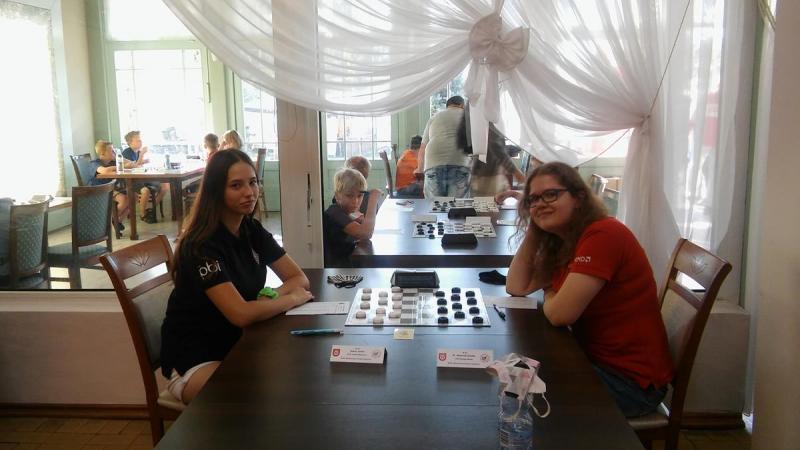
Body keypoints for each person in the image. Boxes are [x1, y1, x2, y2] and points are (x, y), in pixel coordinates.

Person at [506, 161, 673, 418]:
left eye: (551, 194)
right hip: (592, 360)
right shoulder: (564, 240)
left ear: (578, 198)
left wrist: (550, 293)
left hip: (628, 383)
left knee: (516, 393)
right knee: (513, 379)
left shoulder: (604, 235)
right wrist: (534, 228)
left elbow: (559, 315)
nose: (540, 204)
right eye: (533, 200)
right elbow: (517, 286)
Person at [160, 149, 313, 404]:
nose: (249, 192)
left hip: (237, 343)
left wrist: (268, 297)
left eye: (252, 182)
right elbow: (241, 314)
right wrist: (292, 299)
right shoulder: (201, 246)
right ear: (216, 191)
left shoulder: (250, 229)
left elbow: (299, 278)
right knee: (263, 398)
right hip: (195, 359)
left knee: (295, 378)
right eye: (236, 185)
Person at [323, 168, 383, 267]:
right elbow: (365, 233)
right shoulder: (334, 212)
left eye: (360, 196)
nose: (355, 201)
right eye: (349, 196)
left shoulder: (343, 211)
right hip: (338, 271)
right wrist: (373, 199)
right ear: (337, 195)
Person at [416, 95, 471, 198]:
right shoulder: (468, 117)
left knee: (433, 205)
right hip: (460, 162)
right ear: (462, 105)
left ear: (447, 106)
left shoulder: (434, 117)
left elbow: (423, 148)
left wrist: (419, 169)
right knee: (456, 206)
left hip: (433, 163)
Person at [122, 130, 169, 224]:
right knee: (145, 191)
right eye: (138, 140)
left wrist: (144, 160)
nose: (140, 142)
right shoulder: (127, 152)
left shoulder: (137, 152)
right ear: (130, 143)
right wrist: (142, 155)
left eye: (141, 140)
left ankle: (151, 209)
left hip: (142, 178)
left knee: (165, 185)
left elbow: (138, 164)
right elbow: (134, 166)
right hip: (132, 180)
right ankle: (143, 214)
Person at [470, 125, 526, 197]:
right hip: (488, 176)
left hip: (488, 174)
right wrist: (516, 172)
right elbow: (496, 147)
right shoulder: (491, 122)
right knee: (490, 201)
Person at [89, 140, 130, 232]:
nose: (114, 152)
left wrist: (120, 160)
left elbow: (130, 164)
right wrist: (120, 166)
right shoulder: (94, 163)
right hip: (100, 190)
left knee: (133, 197)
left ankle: (117, 220)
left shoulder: (112, 162)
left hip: (111, 189)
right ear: (102, 153)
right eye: (111, 150)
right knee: (124, 199)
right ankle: (108, 220)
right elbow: (104, 171)